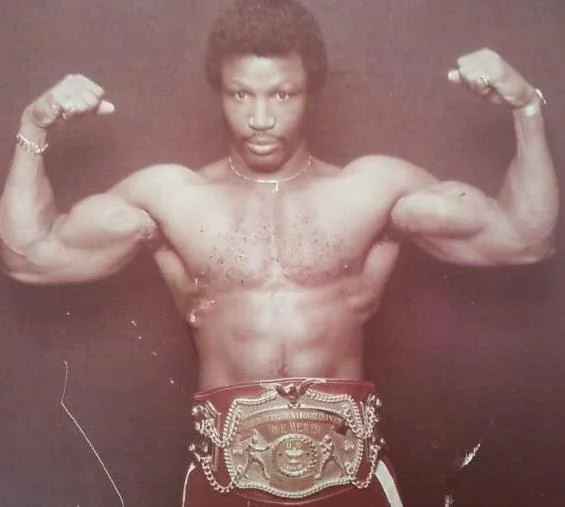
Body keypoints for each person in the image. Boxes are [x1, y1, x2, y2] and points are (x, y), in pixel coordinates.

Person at [0, 0, 558, 505]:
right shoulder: (172, 197)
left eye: (281, 94)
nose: (260, 118)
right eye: (241, 93)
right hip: (225, 484)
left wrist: (525, 109)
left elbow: (523, 238)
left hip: (355, 483)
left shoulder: (370, 191)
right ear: (219, 90)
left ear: (310, 92)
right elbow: (30, 256)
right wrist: (34, 127)